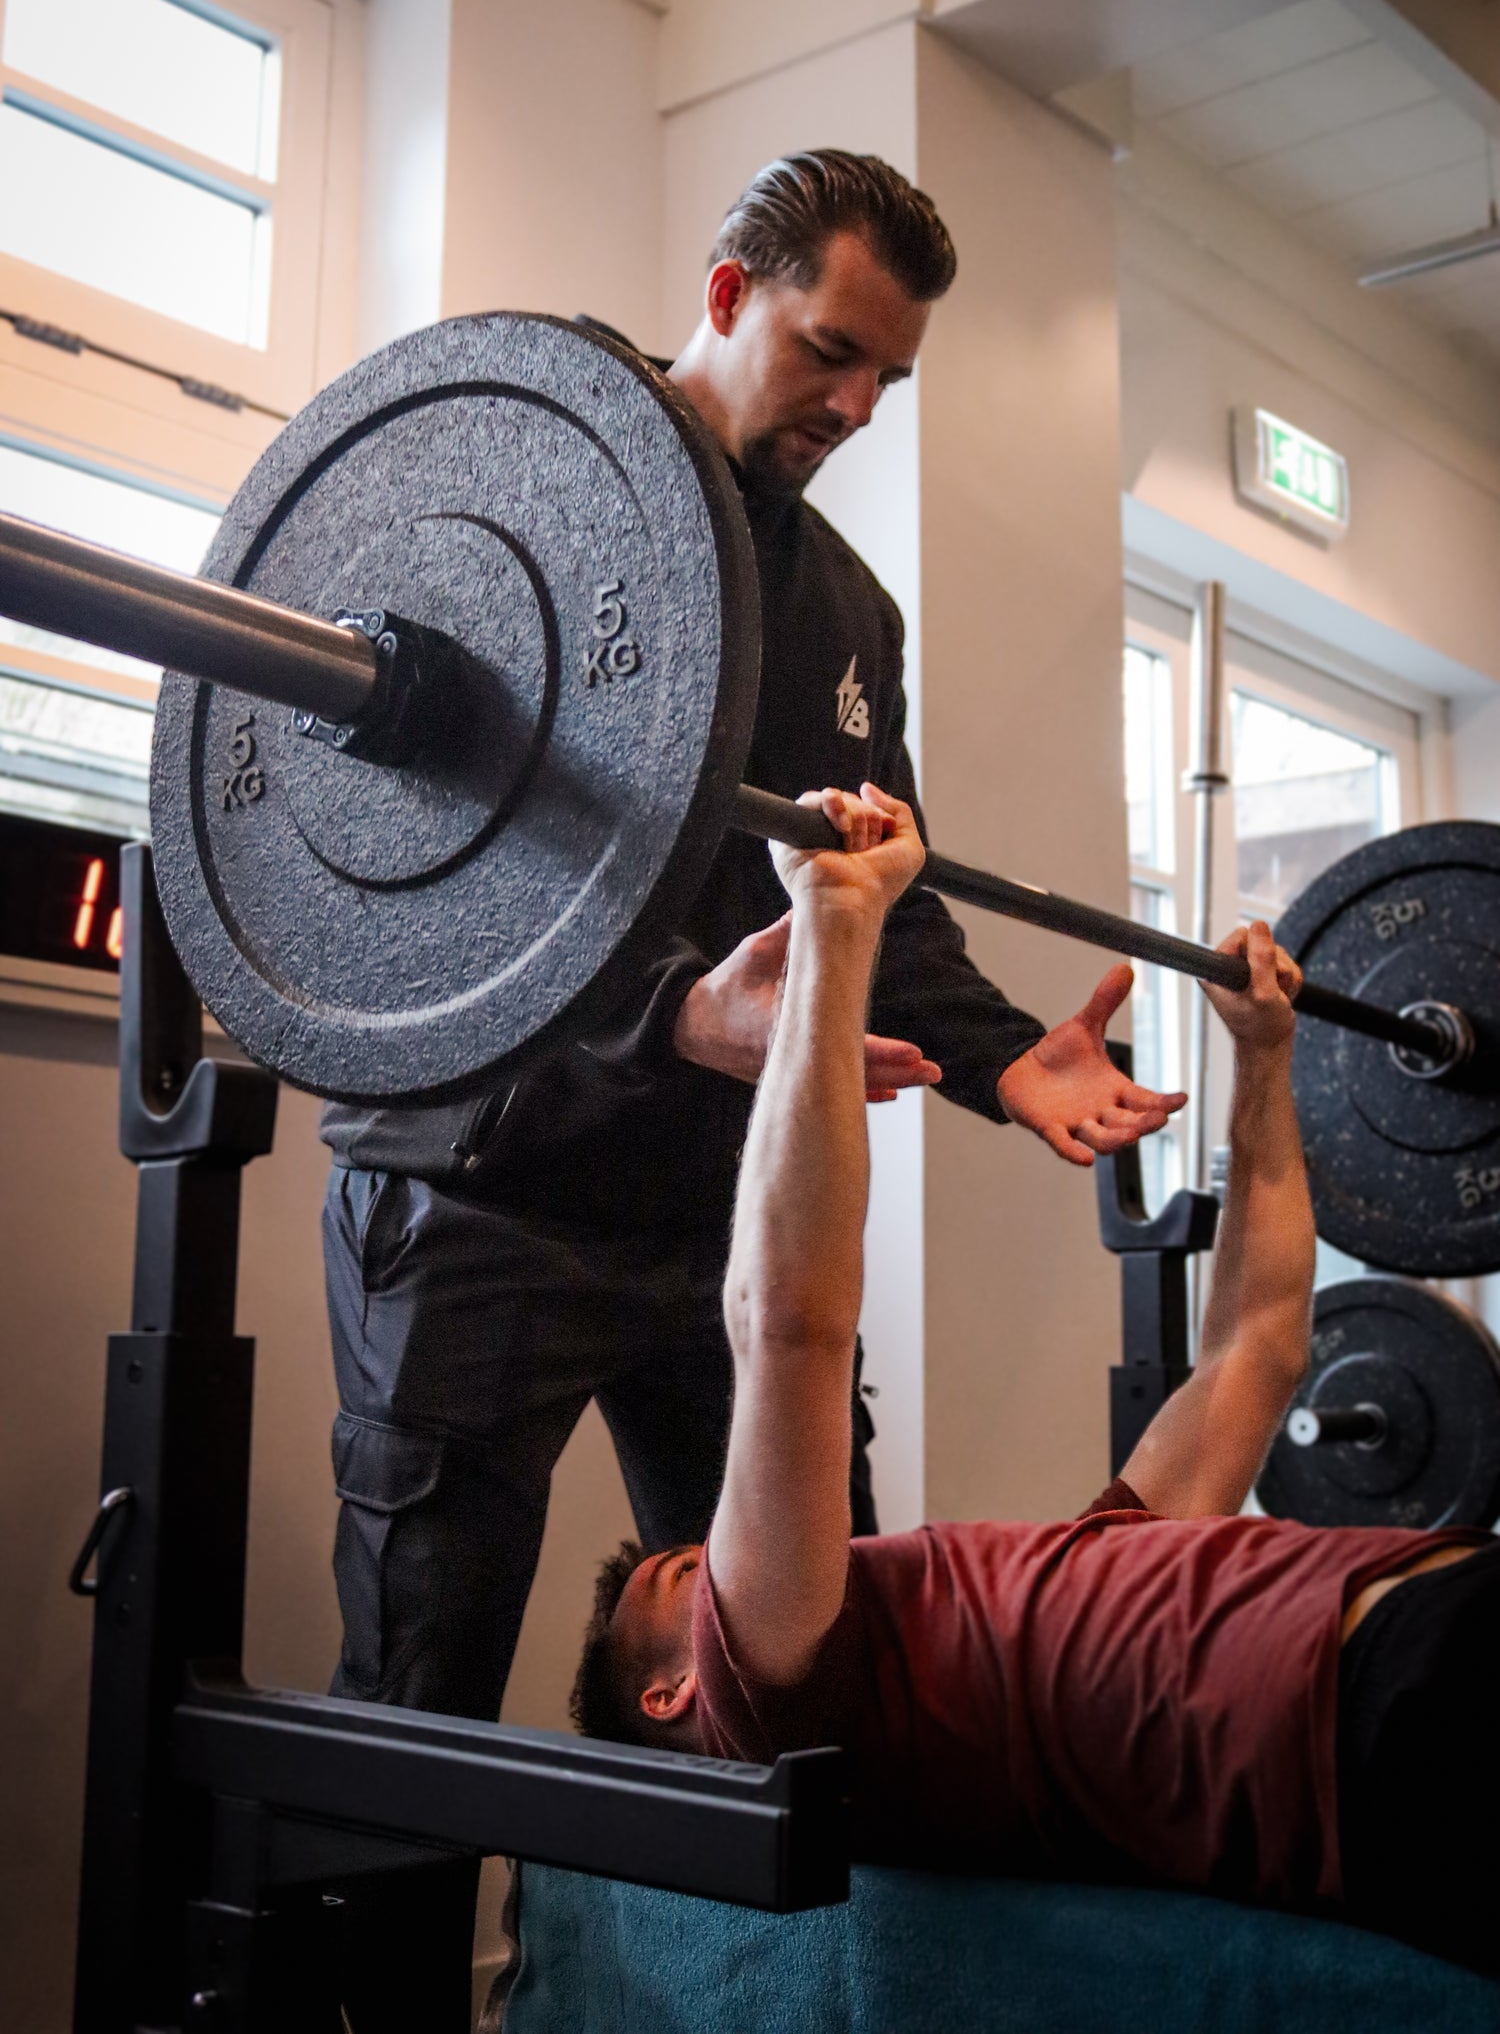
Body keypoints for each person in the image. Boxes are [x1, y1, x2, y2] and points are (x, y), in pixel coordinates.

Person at [317, 153, 1183, 2023]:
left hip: (712, 1220)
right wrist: (665, 1030)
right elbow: (427, 900)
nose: (855, 407)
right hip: (485, 1197)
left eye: (888, 378)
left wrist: (997, 1052)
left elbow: (883, 897)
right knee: (422, 1699)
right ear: (728, 295)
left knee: (804, 1672)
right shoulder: (519, 486)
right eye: (828, 351)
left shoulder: (850, 610)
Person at [575, 784, 1498, 1977]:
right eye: (690, 1571)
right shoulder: (773, 1707)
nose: (737, 1541)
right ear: (679, 1693)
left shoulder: (1057, 1611)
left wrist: (1265, 1058)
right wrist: (835, 933)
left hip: (1418, 1642)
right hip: (1388, 1711)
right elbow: (788, 1325)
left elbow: (1258, 1348)